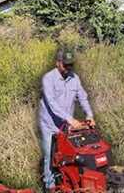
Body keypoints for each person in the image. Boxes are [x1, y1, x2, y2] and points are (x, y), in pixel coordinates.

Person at [39, 49, 95, 192]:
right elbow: (52, 103)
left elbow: (82, 97)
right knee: (49, 155)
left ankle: (69, 183)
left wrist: (89, 115)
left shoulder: (74, 78)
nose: (68, 68)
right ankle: (50, 186)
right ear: (58, 63)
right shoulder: (48, 79)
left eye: (70, 65)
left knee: (69, 156)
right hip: (49, 125)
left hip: (66, 125)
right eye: (65, 65)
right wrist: (70, 119)